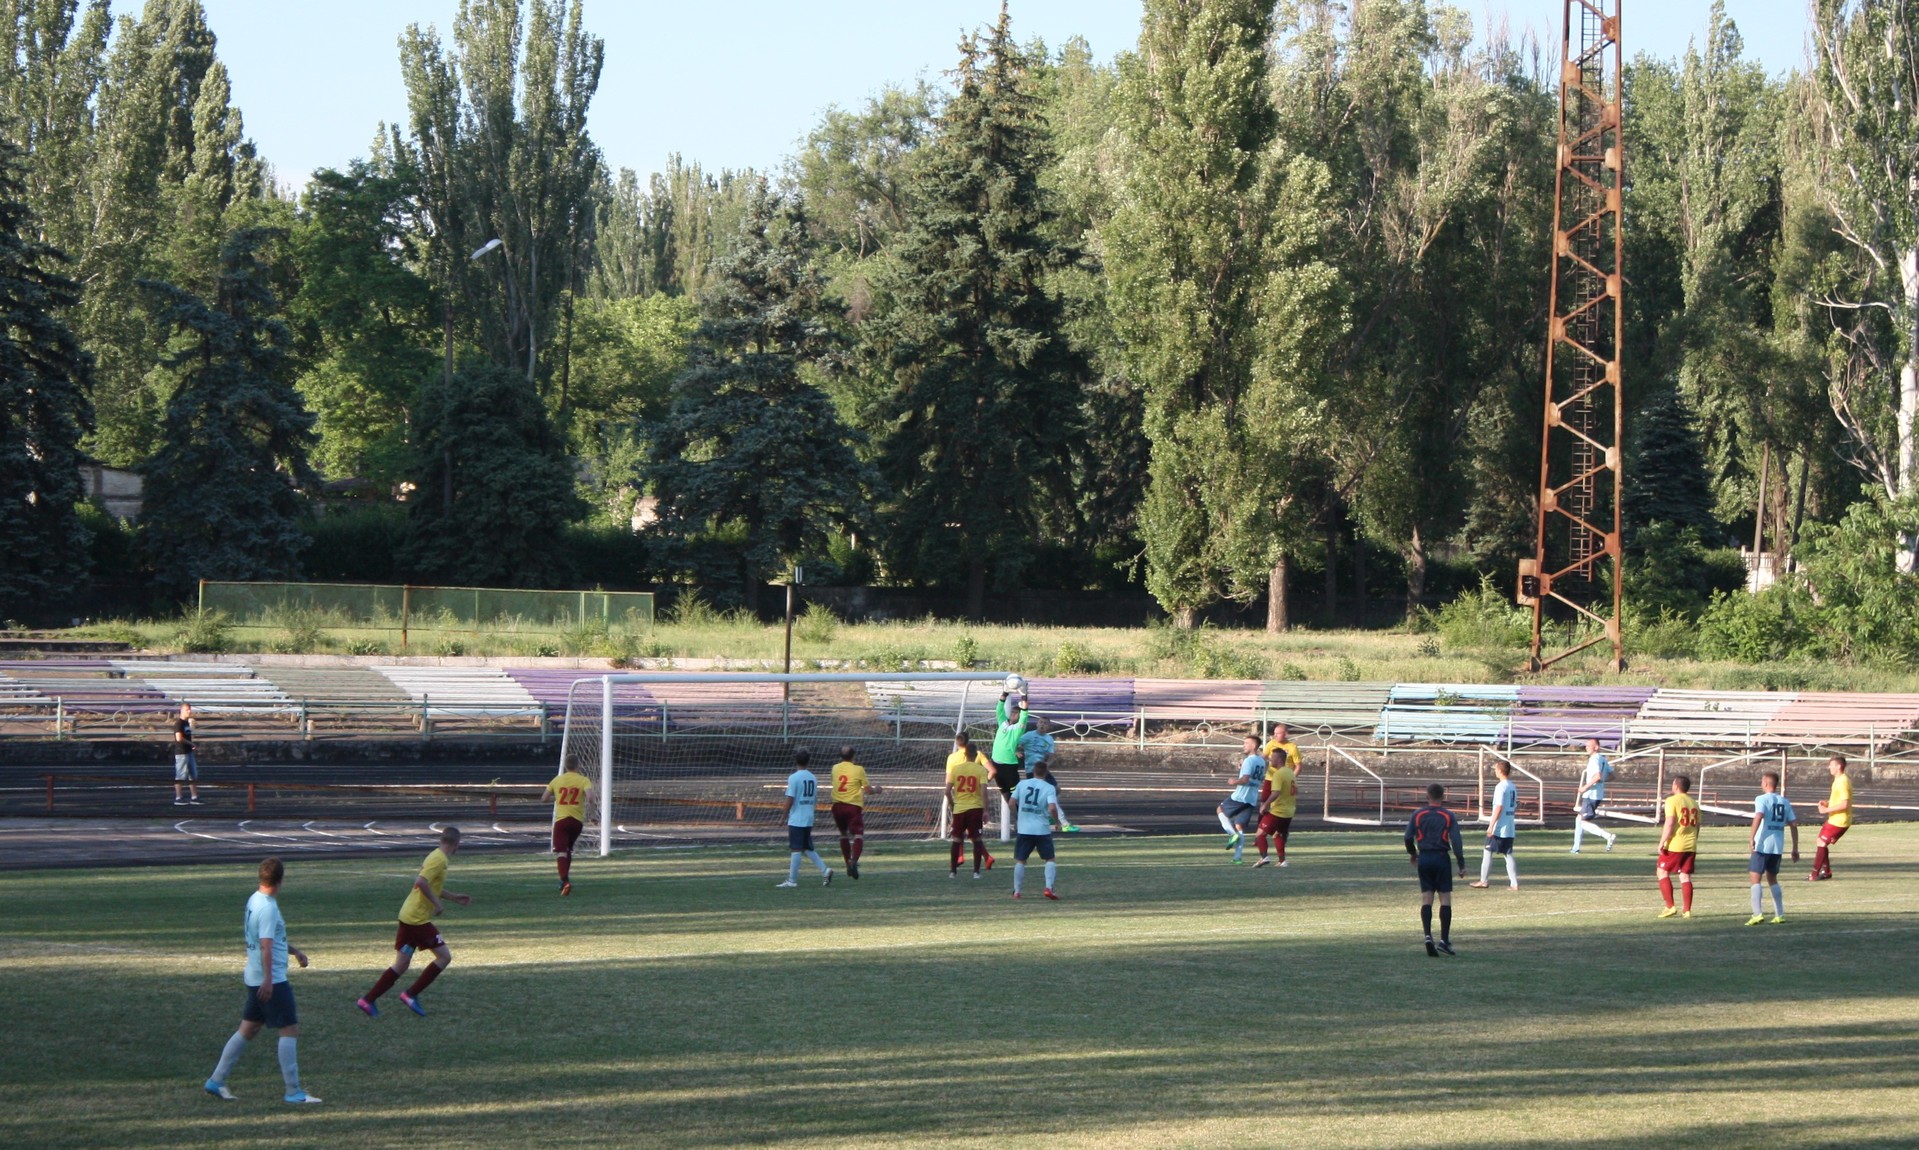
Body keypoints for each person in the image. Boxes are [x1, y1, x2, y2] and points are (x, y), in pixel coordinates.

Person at [204, 857, 319, 1104]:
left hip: (254, 976)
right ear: (281, 880)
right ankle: (293, 1091)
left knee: (248, 1029)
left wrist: (295, 951)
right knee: (289, 1029)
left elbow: (269, 940)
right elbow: (266, 946)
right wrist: (269, 981)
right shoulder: (268, 907)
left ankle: (216, 1080)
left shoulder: (254, 900)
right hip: (271, 980)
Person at [357, 826, 470, 1018]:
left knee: (401, 965)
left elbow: (431, 885)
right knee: (444, 957)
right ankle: (410, 995)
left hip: (409, 917)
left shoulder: (435, 856)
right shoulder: (439, 860)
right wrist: (437, 904)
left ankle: (367, 1000)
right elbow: (421, 882)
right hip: (417, 920)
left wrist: (454, 897)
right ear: (457, 844)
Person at [1404, 784, 1466, 956]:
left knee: (1427, 897)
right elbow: (1456, 841)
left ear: (1427, 796)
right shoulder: (1448, 815)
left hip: (1424, 857)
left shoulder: (1418, 814)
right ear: (1443, 796)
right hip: (1441, 857)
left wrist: (1413, 853)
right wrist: (1461, 862)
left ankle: (1427, 936)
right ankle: (1444, 940)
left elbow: (1408, 837)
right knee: (1445, 898)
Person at [1747, 771, 1798, 925]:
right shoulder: (1785, 802)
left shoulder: (1761, 799)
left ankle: (1757, 914)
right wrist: (1795, 847)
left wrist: (1751, 837)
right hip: (1777, 845)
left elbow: (1759, 816)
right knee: (1772, 879)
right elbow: (1793, 824)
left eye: (1762, 781)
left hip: (1762, 844)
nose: (1761, 784)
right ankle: (1780, 914)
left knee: (1755, 877)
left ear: (1766, 783)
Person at [777, 748, 832, 889]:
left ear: (795, 761)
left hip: (797, 818)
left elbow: (790, 799)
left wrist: (783, 816)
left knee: (796, 849)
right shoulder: (813, 777)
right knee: (806, 847)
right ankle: (825, 870)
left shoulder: (793, 778)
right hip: (808, 816)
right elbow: (814, 798)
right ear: (809, 761)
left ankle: (792, 880)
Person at [542, 753, 593, 896]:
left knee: (561, 851)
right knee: (568, 849)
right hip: (577, 822)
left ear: (565, 766)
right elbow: (590, 797)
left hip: (562, 820)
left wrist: (557, 797)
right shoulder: (583, 780)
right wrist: (593, 814)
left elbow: (544, 798)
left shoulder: (557, 780)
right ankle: (565, 879)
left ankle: (564, 881)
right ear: (578, 766)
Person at [945, 734, 994, 878]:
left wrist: (953, 804)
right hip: (975, 808)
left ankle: (953, 872)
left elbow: (947, 791)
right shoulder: (980, 770)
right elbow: (984, 792)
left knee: (956, 840)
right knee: (977, 839)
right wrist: (986, 810)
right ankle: (976, 872)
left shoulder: (956, 769)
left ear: (965, 754)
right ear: (976, 754)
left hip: (959, 808)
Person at [1009, 764, 1061, 900]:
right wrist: (1057, 822)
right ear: (1046, 772)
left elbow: (1011, 802)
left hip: (1024, 829)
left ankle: (1017, 891)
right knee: (1049, 858)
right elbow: (1052, 807)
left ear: (1033, 771)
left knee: (1021, 860)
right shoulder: (1049, 788)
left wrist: (1016, 817)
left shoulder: (1022, 784)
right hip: (1042, 829)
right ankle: (1049, 887)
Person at [1018, 716, 1077, 832]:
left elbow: (1051, 756)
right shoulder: (1028, 736)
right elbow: (1016, 743)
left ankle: (1050, 814)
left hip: (1043, 769)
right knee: (1048, 794)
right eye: (1041, 722)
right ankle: (1063, 823)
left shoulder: (1049, 739)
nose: (1042, 725)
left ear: (1049, 726)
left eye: (1045, 723)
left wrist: (1047, 764)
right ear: (1037, 724)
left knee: (1057, 790)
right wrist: (1017, 751)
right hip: (1032, 770)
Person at [1471, 759, 1521, 890]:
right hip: (1509, 826)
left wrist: (1491, 825)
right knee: (1508, 853)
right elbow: (1514, 805)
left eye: (1495, 770)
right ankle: (1514, 883)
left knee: (1487, 851)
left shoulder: (1500, 787)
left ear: (1499, 771)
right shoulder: (1512, 786)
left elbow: (1499, 807)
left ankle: (1483, 880)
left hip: (1500, 826)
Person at [1216, 735, 1267, 864]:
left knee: (1220, 809)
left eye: (1246, 743)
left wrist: (1234, 781)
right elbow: (1260, 778)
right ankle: (1237, 857)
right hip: (1252, 798)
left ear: (1254, 746)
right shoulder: (1261, 761)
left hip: (1241, 796)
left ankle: (1231, 834)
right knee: (1240, 826)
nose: (1243, 745)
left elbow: (1244, 779)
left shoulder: (1249, 761)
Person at [1656, 776, 1702, 919]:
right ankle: (1687, 910)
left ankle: (1670, 906)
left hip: (1676, 844)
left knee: (1661, 872)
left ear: (1675, 786)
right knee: (1684, 875)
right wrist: (1694, 840)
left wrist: (1662, 841)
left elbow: (1670, 822)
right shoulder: (1694, 802)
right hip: (1691, 844)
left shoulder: (1671, 800)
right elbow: (1698, 825)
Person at [830, 746, 878, 879]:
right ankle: (854, 860)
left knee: (843, 834)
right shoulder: (858, 769)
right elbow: (868, 790)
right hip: (853, 806)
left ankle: (847, 863)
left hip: (837, 806)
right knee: (858, 835)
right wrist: (877, 790)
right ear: (853, 756)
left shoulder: (835, 768)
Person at [1252, 735, 1299, 868]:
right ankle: (1282, 861)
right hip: (1289, 811)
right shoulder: (1290, 773)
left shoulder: (1278, 774)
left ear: (1278, 760)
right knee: (1276, 834)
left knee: (1260, 834)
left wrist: (1265, 805)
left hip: (1278, 811)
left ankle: (1264, 858)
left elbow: (1276, 792)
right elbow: (1295, 790)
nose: (1270, 759)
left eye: (1272, 758)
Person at [1570, 737, 1618, 854]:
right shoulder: (1602, 759)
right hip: (1597, 794)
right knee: (1579, 819)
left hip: (1591, 794)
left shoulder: (1594, 759)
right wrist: (1601, 781)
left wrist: (1585, 787)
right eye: (1586, 745)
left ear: (1596, 747)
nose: (1586, 747)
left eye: (1589, 745)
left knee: (1583, 822)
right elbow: (1612, 775)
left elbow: (1597, 776)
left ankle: (1608, 836)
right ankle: (1576, 848)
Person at [1810, 755, 1852, 881]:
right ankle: (1826, 871)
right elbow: (1839, 800)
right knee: (1821, 842)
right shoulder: (1838, 780)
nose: (1829, 767)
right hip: (1834, 819)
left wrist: (1826, 810)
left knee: (1822, 842)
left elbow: (1845, 804)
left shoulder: (1843, 781)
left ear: (1838, 766)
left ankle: (1814, 874)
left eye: (1831, 765)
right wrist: (1828, 803)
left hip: (1840, 820)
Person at [990, 689, 1032, 802]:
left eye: (1016, 713)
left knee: (1015, 794)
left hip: (1009, 765)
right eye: (1012, 712)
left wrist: (1024, 695)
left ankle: (1023, 813)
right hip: (995, 763)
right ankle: (1017, 815)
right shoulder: (1002, 723)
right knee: (1005, 794)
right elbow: (999, 708)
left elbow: (1025, 714)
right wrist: (1004, 693)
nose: (1013, 714)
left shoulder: (1018, 728)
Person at [173, 701, 202, 806]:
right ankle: (178, 797)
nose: (189, 711)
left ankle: (194, 797)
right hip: (181, 753)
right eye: (187, 709)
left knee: (193, 775)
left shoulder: (186, 723)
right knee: (180, 775)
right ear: (181, 711)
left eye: (190, 709)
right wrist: (190, 743)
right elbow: (179, 738)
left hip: (189, 752)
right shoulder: (179, 723)